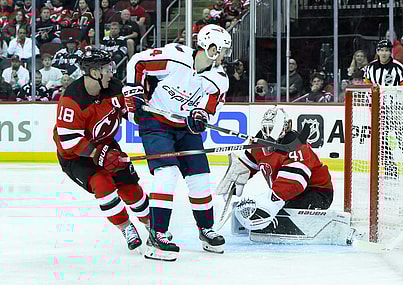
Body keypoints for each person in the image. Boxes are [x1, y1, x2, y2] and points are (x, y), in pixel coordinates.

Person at [124, 24, 231, 261]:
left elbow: (211, 109)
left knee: (200, 177)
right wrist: (133, 91)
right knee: (167, 173)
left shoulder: (219, 79)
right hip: (156, 121)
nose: (224, 55)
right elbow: (138, 63)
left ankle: (206, 229)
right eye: (221, 49)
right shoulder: (176, 58)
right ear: (209, 46)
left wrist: (201, 118)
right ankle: (157, 234)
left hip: (184, 128)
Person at [53, 48, 150, 252]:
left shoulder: (113, 86)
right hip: (76, 157)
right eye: (107, 69)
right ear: (94, 72)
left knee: (130, 186)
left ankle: (153, 225)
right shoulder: (71, 99)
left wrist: (145, 119)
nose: (111, 72)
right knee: (103, 186)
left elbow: (127, 112)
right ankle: (125, 227)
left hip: (105, 145)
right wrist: (98, 155)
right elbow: (68, 141)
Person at [216, 107, 333, 232]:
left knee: (279, 217)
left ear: (285, 127)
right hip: (288, 195)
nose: (268, 131)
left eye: (272, 128)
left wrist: (270, 201)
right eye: (267, 127)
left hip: (317, 192)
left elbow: (294, 183)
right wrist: (237, 174)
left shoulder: (296, 145)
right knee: (272, 215)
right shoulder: (258, 143)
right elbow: (248, 163)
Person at [364, 40, 403, 179]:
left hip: (397, 109)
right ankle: (390, 169)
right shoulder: (370, 68)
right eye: (382, 50)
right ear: (377, 51)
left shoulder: (399, 67)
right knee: (382, 141)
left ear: (390, 52)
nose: (384, 53)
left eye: (387, 50)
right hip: (379, 110)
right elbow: (367, 86)